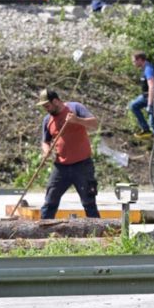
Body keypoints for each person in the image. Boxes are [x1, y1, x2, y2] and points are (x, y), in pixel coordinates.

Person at [37, 88, 100, 219]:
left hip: (82, 165)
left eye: (47, 106)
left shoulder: (75, 108)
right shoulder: (47, 120)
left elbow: (94, 124)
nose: (46, 109)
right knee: (50, 202)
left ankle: (97, 229)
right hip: (60, 167)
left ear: (55, 101)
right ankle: (43, 227)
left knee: (89, 202)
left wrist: (77, 120)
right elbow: (45, 141)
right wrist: (46, 151)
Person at [129, 51, 154, 139]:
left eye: (134, 61)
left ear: (140, 60)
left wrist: (150, 104)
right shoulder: (145, 68)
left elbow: (152, 87)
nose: (133, 63)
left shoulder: (148, 69)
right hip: (146, 96)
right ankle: (146, 130)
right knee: (133, 106)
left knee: (153, 122)